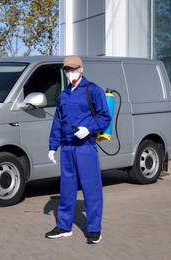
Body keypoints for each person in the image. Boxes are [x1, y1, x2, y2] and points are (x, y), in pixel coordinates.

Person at [45, 55, 111, 244]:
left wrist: (89, 129)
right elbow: (57, 122)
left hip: (85, 147)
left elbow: (105, 117)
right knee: (66, 189)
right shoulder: (63, 95)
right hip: (67, 148)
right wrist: (52, 146)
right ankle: (64, 227)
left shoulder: (93, 90)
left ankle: (94, 229)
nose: (70, 73)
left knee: (91, 188)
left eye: (74, 69)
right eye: (67, 70)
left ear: (82, 69)